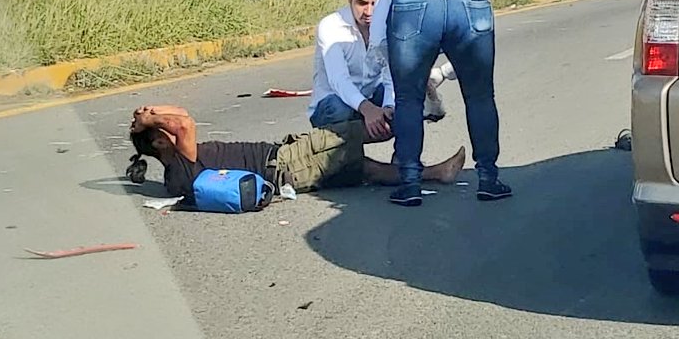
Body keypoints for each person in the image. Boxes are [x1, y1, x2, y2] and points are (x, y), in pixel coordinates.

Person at [368, 0, 510, 208]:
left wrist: (405, 80)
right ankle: (489, 180)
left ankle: (410, 184)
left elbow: (379, 43)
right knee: (481, 96)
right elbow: (466, 58)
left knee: (408, 100)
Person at [127, 105, 466, 203]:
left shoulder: (176, 168)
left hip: (286, 164)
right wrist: (150, 120)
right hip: (287, 163)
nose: (171, 129)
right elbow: (184, 122)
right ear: (160, 144)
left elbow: (181, 114)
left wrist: (150, 112)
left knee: (365, 169)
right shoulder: (182, 167)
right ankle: (419, 114)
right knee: (356, 130)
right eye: (163, 131)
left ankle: (435, 172)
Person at [309, 0, 450, 140]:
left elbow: (391, 74)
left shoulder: (391, 25)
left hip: (372, 97)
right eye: (362, 3)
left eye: (375, 4)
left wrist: (389, 107)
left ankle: (406, 157)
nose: (368, 11)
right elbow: (339, 80)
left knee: (407, 101)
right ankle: (341, 152)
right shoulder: (331, 26)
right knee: (340, 109)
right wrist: (368, 109)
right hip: (332, 105)